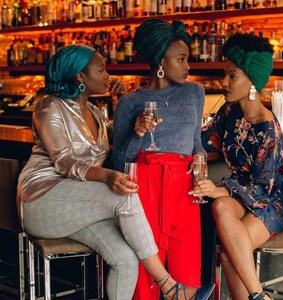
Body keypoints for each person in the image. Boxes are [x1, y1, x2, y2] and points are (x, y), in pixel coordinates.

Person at [16, 44, 213, 300]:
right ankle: (170, 287)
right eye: (101, 69)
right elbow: (64, 162)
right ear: (80, 76)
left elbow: (118, 147)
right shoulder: (49, 106)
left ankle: (172, 290)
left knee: (125, 258)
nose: (108, 75)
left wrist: (129, 114)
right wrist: (107, 176)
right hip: (42, 200)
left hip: (77, 209)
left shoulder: (97, 114)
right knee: (123, 195)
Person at [112, 19, 214, 300]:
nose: (187, 66)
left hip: (184, 190)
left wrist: (200, 161)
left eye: (187, 59)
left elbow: (196, 143)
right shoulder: (130, 103)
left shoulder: (195, 93)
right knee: (144, 282)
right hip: (145, 191)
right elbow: (118, 163)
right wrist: (137, 133)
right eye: (181, 59)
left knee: (187, 276)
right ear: (160, 60)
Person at [194, 33, 283, 300]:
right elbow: (202, 140)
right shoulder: (229, 113)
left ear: (252, 81)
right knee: (219, 205)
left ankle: (257, 295)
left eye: (232, 76)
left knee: (229, 256)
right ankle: (260, 296)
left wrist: (223, 189)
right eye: (225, 75)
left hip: (272, 201)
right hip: (242, 195)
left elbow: (264, 185)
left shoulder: (267, 126)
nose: (224, 82)